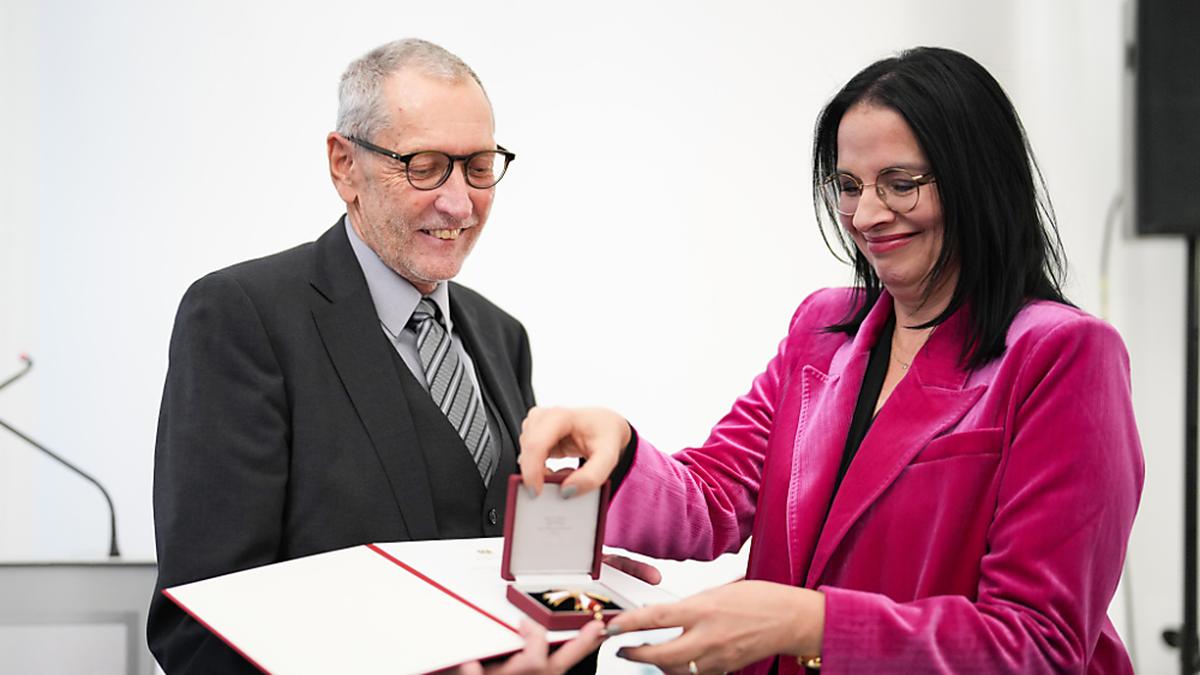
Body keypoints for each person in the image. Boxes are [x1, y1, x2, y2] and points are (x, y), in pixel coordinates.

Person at [518, 47, 1144, 674]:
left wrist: (809, 624)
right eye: (849, 187)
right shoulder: (822, 329)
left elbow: (1038, 645)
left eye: (901, 184)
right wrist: (618, 448)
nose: (868, 216)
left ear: (977, 180)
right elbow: (716, 497)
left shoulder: (1060, 353)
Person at [148, 38, 612, 674]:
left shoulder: (503, 336)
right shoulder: (243, 316)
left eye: (478, 166)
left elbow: (525, 579)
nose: (459, 202)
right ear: (344, 165)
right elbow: (201, 622)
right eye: (424, 165)